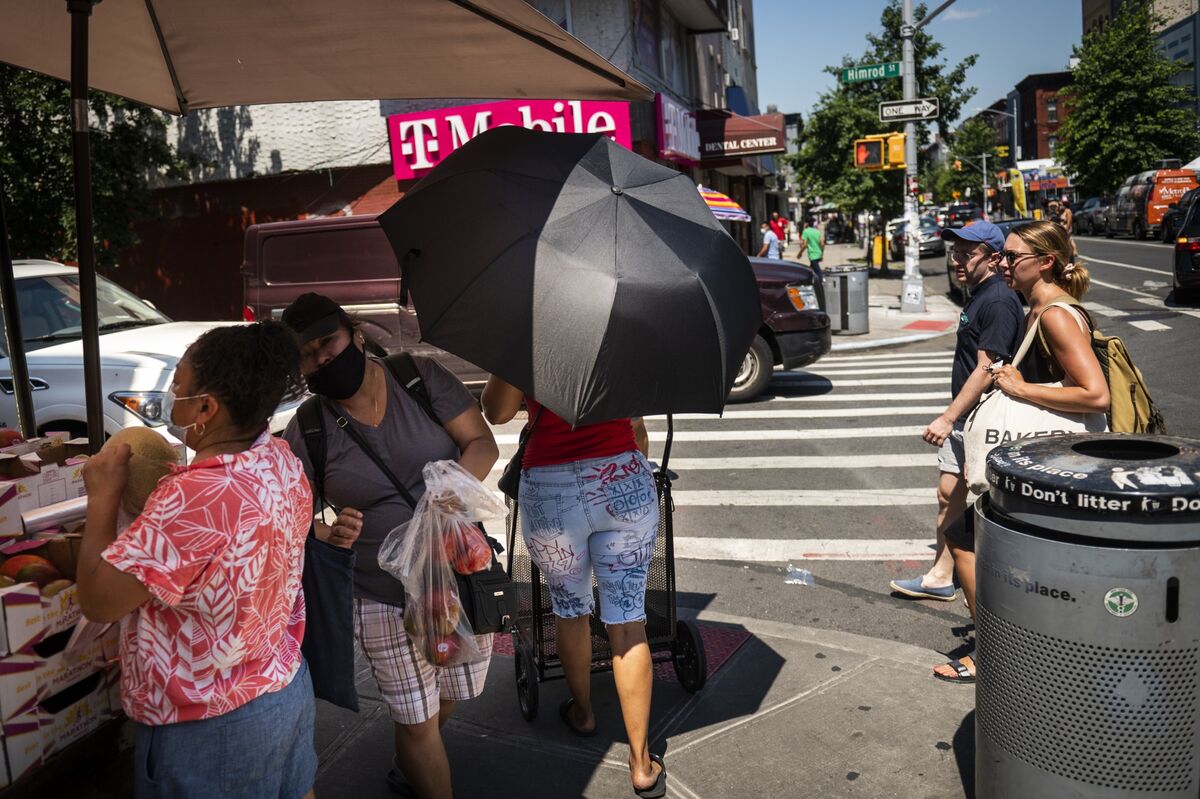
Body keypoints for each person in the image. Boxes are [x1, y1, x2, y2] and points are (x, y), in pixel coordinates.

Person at [77, 322, 318, 798]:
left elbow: (99, 600)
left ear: (206, 408)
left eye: (179, 385)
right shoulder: (279, 458)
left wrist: (102, 497)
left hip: (209, 728)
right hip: (283, 689)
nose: (171, 394)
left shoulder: (190, 497)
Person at [280, 293, 499, 799]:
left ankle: (412, 752)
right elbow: (287, 515)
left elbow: (481, 442)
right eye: (307, 354)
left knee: (454, 689)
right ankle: (419, 753)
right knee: (416, 716)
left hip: (455, 573)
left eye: (328, 343)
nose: (321, 359)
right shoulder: (309, 427)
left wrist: (451, 492)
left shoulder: (416, 378)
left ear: (354, 334)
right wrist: (326, 534)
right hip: (376, 590)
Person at [932, 220, 1109, 684]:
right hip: (1041, 462)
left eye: (1012, 257)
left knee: (966, 540)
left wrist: (1021, 387)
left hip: (1057, 461)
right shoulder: (1036, 308)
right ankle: (1023, 645)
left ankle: (993, 651)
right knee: (985, 544)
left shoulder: (1054, 314)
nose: (1003, 263)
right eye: (1003, 256)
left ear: (1045, 262)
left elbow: (1095, 395)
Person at [481, 379, 666, 799]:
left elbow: (496, 411)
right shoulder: (621, 324)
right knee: (627, 622)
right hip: (622, 477)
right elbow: (638, 418)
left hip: (550, 487)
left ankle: (582, 714)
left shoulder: (526, 333)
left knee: (570, 609)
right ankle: (641, 764)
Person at [891, 222, 1022, 610]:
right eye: (955, 252)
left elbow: (987, 368)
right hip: (968, 416)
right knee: (949, 493)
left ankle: (987, 590)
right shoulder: (981, 295)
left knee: (982, 501)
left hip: (980, 418)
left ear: (993, 257)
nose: (956, 259)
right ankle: (940, 576)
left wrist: (949, 417)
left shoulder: (997, 301)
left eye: (967, 253)